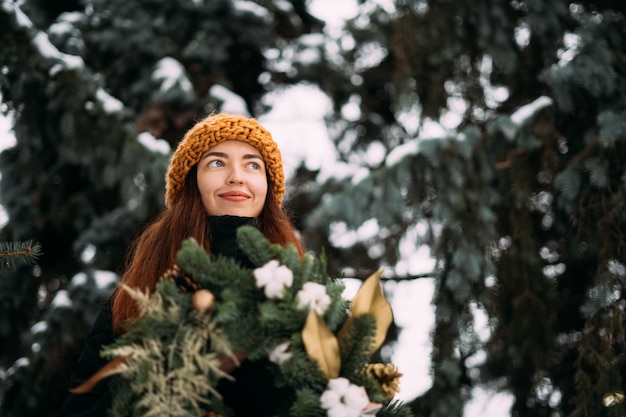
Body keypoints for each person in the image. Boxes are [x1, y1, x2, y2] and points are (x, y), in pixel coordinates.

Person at [59, 113, 305, 417]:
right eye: (217, 162)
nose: (236, 176)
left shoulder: (305, 292)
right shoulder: (136, 296)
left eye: (253, 164)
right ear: (192, 182)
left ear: (267, 187)